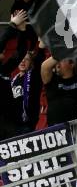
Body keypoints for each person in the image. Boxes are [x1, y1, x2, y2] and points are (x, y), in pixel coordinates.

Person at [0, 10, 28, 140]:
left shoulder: (4, 70)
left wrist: (22, 30)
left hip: (10, 126)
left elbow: (20, 52)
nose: (4, 51)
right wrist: (11, 24)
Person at [41, 56, 77, 126]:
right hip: (55, 131)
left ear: (72, 64)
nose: (57, 63)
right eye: (57, 61)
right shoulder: (52, 80)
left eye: (61, 60)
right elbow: (44, 66)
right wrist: (63, 50)